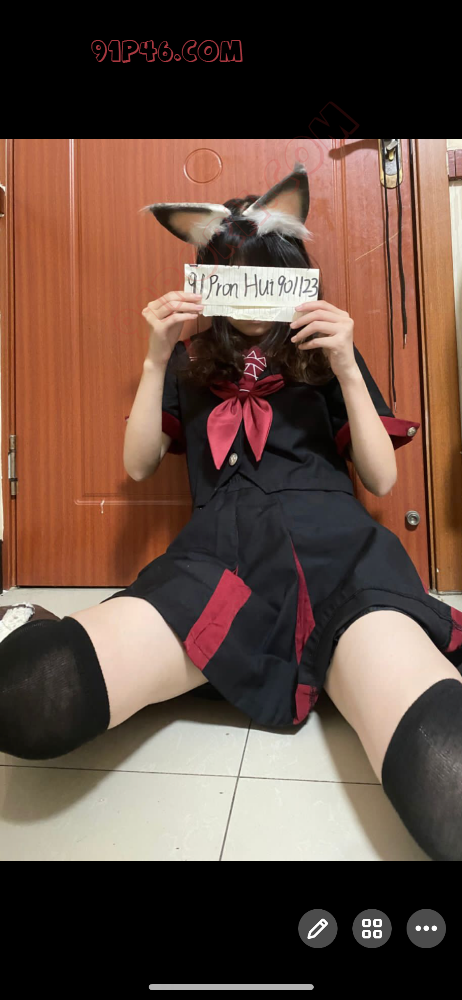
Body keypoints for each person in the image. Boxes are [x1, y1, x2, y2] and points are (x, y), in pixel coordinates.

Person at [1, 162, 462, 862]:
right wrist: (155, 357)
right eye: (232, 273)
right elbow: (138, 464)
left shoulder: (323, 354)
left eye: (265, 271)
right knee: (30, 696)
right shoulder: (191, 363)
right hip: (219, 565)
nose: (249, 287)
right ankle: (29, 620)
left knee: (446, 766)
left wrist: (345, 364)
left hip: (343, 562)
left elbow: (380, 475)